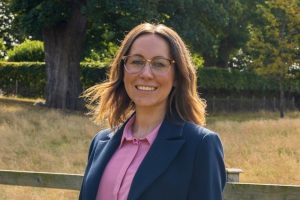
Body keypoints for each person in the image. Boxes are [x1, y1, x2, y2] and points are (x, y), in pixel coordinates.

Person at [79, 23, 226, 200]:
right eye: (137, 61)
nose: (146, 74)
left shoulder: (200, 145)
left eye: (159, 64)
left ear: (177, 77)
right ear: (122, 69)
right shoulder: (100, 142)